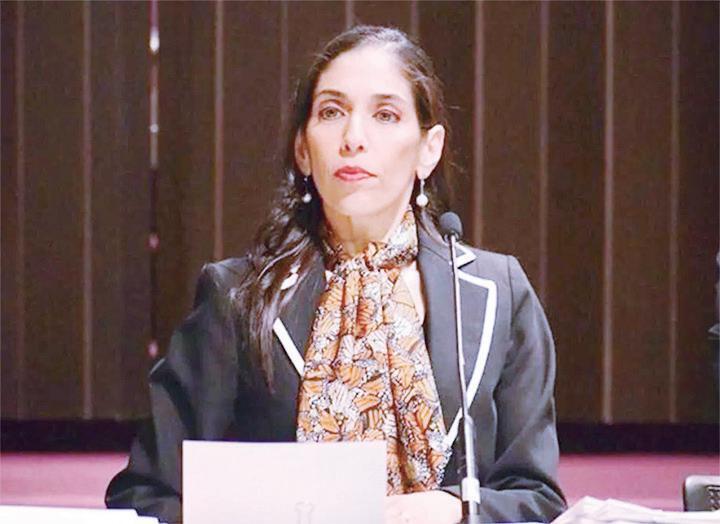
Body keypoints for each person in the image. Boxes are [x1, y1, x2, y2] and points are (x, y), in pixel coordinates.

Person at [106, 25, 566, 524]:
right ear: (303, 149)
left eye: (385, 115)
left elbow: (535, 498)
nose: (353, 139)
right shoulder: (237, 296)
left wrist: (455, 509)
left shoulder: (497, 294)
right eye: (331, 112)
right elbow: (146, 494)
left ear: (428, 149)